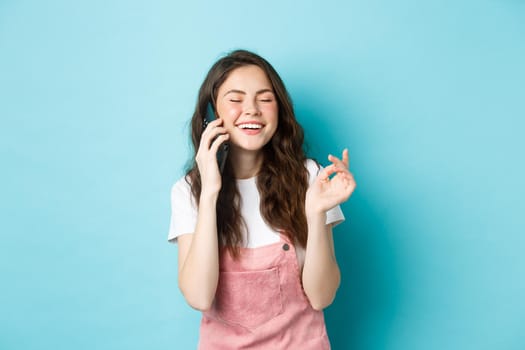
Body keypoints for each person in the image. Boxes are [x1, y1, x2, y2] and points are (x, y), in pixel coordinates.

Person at [168, 49, 356, 349]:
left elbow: (322, 296)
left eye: (265, 99)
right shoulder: (188, 190)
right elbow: (199, 296)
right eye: (235, 98)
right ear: (212, 113)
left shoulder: (309, 177)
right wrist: (210, 193)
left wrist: (316, 212)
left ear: (279, 110)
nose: (252, 109)